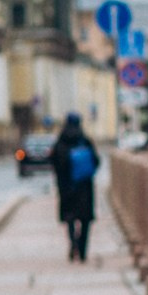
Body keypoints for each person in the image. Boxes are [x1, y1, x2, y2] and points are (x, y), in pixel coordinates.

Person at [48, 112, 98, 262]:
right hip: (84, 186)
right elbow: (96, 161)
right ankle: (82, 250)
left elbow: (54, 162)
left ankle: (73, 243)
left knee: (70, 217)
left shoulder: (60, 142)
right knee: (85, 219)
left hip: (66, 186)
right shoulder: (85, 140)